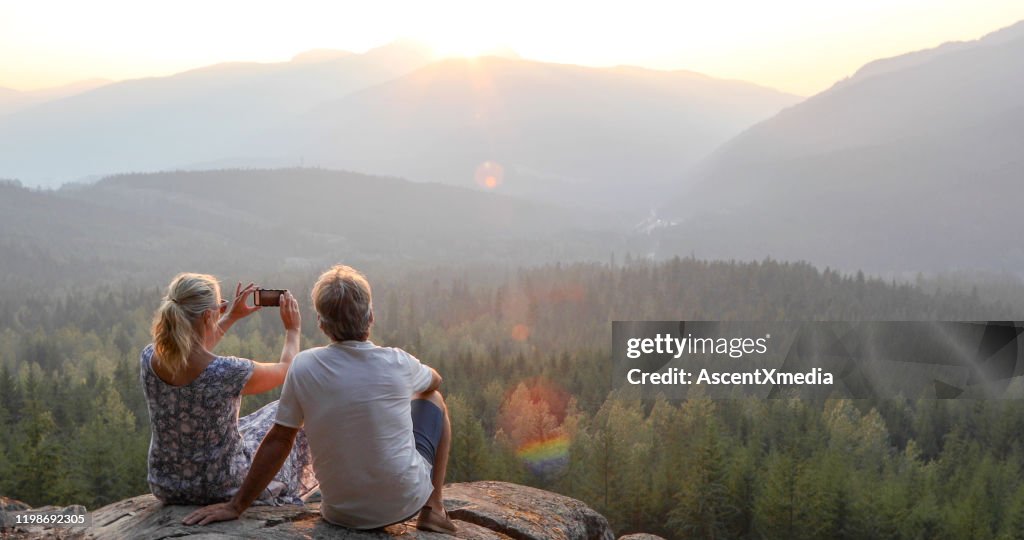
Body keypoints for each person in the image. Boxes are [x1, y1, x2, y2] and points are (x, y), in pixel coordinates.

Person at [183, 265, 457, 534]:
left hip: (341, 513)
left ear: (322, 324)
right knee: (433, 399)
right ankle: (433, 508)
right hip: (405, 503)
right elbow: (434, 381)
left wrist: (237, 505)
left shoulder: (304, 366)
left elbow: (279, 440)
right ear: (370, 317)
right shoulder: (398, 361)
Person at [141, 273, 317, 505]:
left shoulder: (149, 357)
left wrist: (231, 316)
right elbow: (286, 370)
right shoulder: (227, 372)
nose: (222, 309)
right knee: (287, 413)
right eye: (219, 307)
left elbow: (188, 349)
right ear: (207, 315)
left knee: (248, 426)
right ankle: (286, 489)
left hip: (166, 485)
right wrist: (293, 330)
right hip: (220, 485)